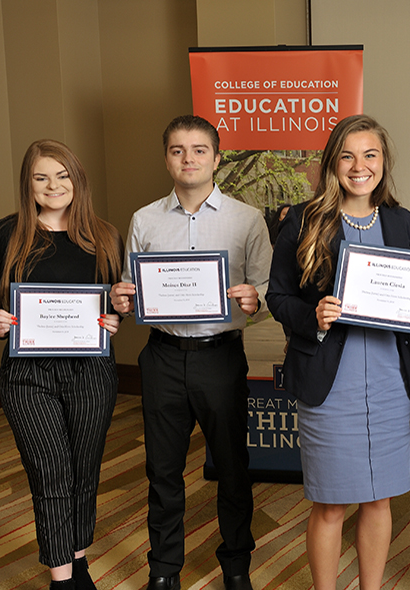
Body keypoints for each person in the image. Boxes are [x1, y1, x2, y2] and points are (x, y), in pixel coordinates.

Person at [110, 115, 271, 590]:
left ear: (217, 158)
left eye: (199, 149)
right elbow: (133, 288)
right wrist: (123, 297)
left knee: (232, 467)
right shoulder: (144, 219)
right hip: (161, 356)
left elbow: (264, 286)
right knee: (162, 470)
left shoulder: (247, 219)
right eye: (178, 150)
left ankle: (236, 565)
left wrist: (255, 299)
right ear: (167, 158)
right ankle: (164, 571)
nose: (189, 158)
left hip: (220, 357)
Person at [266, 114, 410, 590]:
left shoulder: (400, 221)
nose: (360, 166)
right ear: (333, 163)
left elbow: (406, 312)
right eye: (348, 155)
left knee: (380, 499)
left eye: (370, 155)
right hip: (330, 384)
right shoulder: (302, 219)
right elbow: (278, 296)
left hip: (389, 382)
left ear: (384, 162)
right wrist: (311, 315)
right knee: (332, 502)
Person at [0, 139, 123, 590]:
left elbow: (118, 298)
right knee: (50, 470)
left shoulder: (105, 235)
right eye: (41, 177)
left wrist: (117, 313)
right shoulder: (7, 233)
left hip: (92, 372)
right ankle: (61, 581)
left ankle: (78, 564)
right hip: (27, 375)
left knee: (83, 469)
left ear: (78, 180)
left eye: (62, 176)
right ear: (28, 184)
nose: (53, 186)